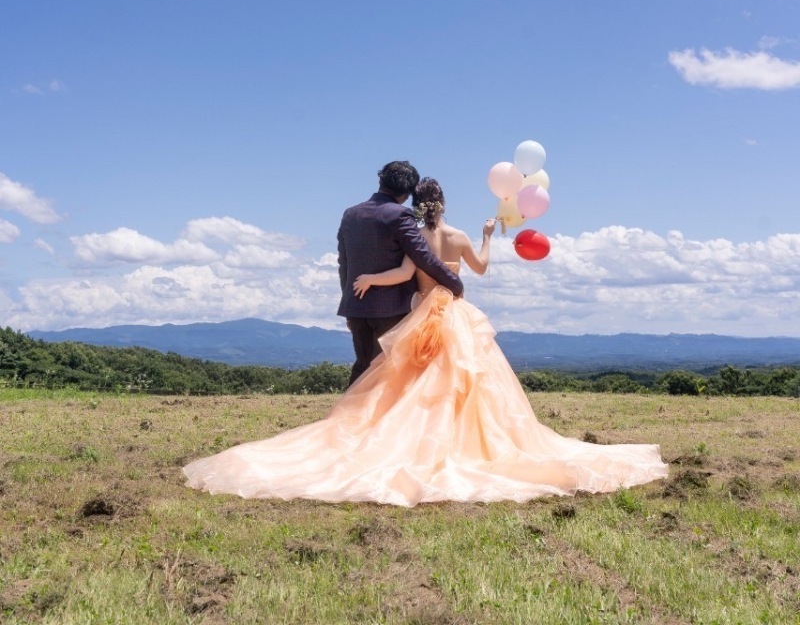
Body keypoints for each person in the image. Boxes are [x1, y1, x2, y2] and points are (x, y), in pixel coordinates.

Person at [183, 176, 668, 506]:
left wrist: (370, 278)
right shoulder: (457, 237)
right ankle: (465, 442)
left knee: (413, 383)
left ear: (418, 204)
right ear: (445, 204)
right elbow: (480, 269)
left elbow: (402, 273)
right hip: (453, 311)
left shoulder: (412, 235)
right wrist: (487, 236)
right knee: (466, 381)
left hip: (420, 314)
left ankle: (411, 436)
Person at [336, 160, 464, 384]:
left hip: (356, 306)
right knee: (386, 373)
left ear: (380, 180)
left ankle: (350, 406)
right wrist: (454, 283)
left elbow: (344, 262)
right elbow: (423, 256)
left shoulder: (350, 214)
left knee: (363, 368)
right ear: (407, 193)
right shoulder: (400, 216)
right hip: (391, 308)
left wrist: (349, 300)